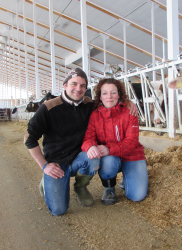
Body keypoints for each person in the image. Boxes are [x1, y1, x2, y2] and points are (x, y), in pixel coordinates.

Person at [24, 69, 137, 216]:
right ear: (64, 86)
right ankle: (47, 180)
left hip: (80, 158)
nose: (78, 89)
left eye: (83, 86)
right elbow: (29, 138)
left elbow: (109, 99)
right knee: (59, 210)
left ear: (86, 89)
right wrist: (44, 166)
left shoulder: (89, 104)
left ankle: (80, 186)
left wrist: (129, 102)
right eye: (74, 84)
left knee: (94, 157)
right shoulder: (48, 107)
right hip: (57, 163)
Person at [81, 78, 148, 205]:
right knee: (108, 162)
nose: (109, 97)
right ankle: (109, 187)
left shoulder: (130, 111)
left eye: (113, 92)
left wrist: (108, 149)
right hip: (110, 157)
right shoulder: (95, 115)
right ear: (100, 96)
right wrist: (90, 147)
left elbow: (132, 142)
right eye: (105, 93)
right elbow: (88, 138)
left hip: (132, 156)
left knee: (137, 195)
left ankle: (127, 177)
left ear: (119, 94)